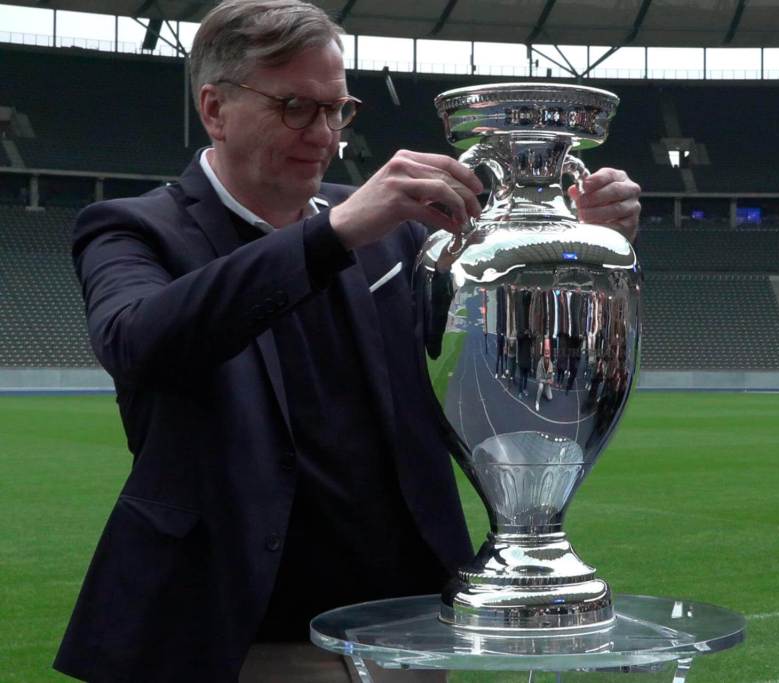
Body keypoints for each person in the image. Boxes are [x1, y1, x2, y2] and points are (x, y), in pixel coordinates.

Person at [54, 1, 642, 680]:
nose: (326, 134)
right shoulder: (132, 228)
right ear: (215, 109)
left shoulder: (394, 230)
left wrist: (577, 254)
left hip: (409, 631)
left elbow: (513, 368)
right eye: (296, 107)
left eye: (338, 108)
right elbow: (138, 341)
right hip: (242, 641)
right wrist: (330, 235)